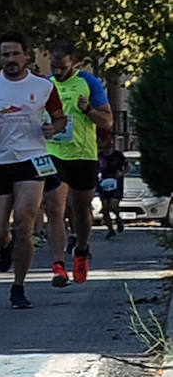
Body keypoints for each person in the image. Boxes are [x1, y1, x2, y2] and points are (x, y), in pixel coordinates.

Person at [0, 32, 66, 309]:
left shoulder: (43, 86)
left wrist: (52, 129)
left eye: (15, 54)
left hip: (32, 159)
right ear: (0, 59)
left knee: (25, 221)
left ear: (26, 56)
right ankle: (4, 246)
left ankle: (18, 286)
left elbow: (60, 118)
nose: (10, 59)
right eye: (5, 55)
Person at [41, 40, 113, 286]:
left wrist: (88, 109)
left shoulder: (89, 83)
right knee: (54, 208)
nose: (57, 71)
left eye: (62, 66)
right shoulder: (46, 85)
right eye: (54, 66)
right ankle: (58, 264)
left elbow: (107, 121)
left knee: (81, 210)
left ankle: (81, 250)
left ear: (75, 62)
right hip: (54, 152)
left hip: (83, 155)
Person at [97, 134, 129, 238]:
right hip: (104, 182)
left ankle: (118, 219)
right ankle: (110, 230)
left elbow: (127, 166)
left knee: (113, 205)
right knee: (105, 207)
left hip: (116, 182)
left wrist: (122, 173)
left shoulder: (118, 155)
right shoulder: (99, 156)